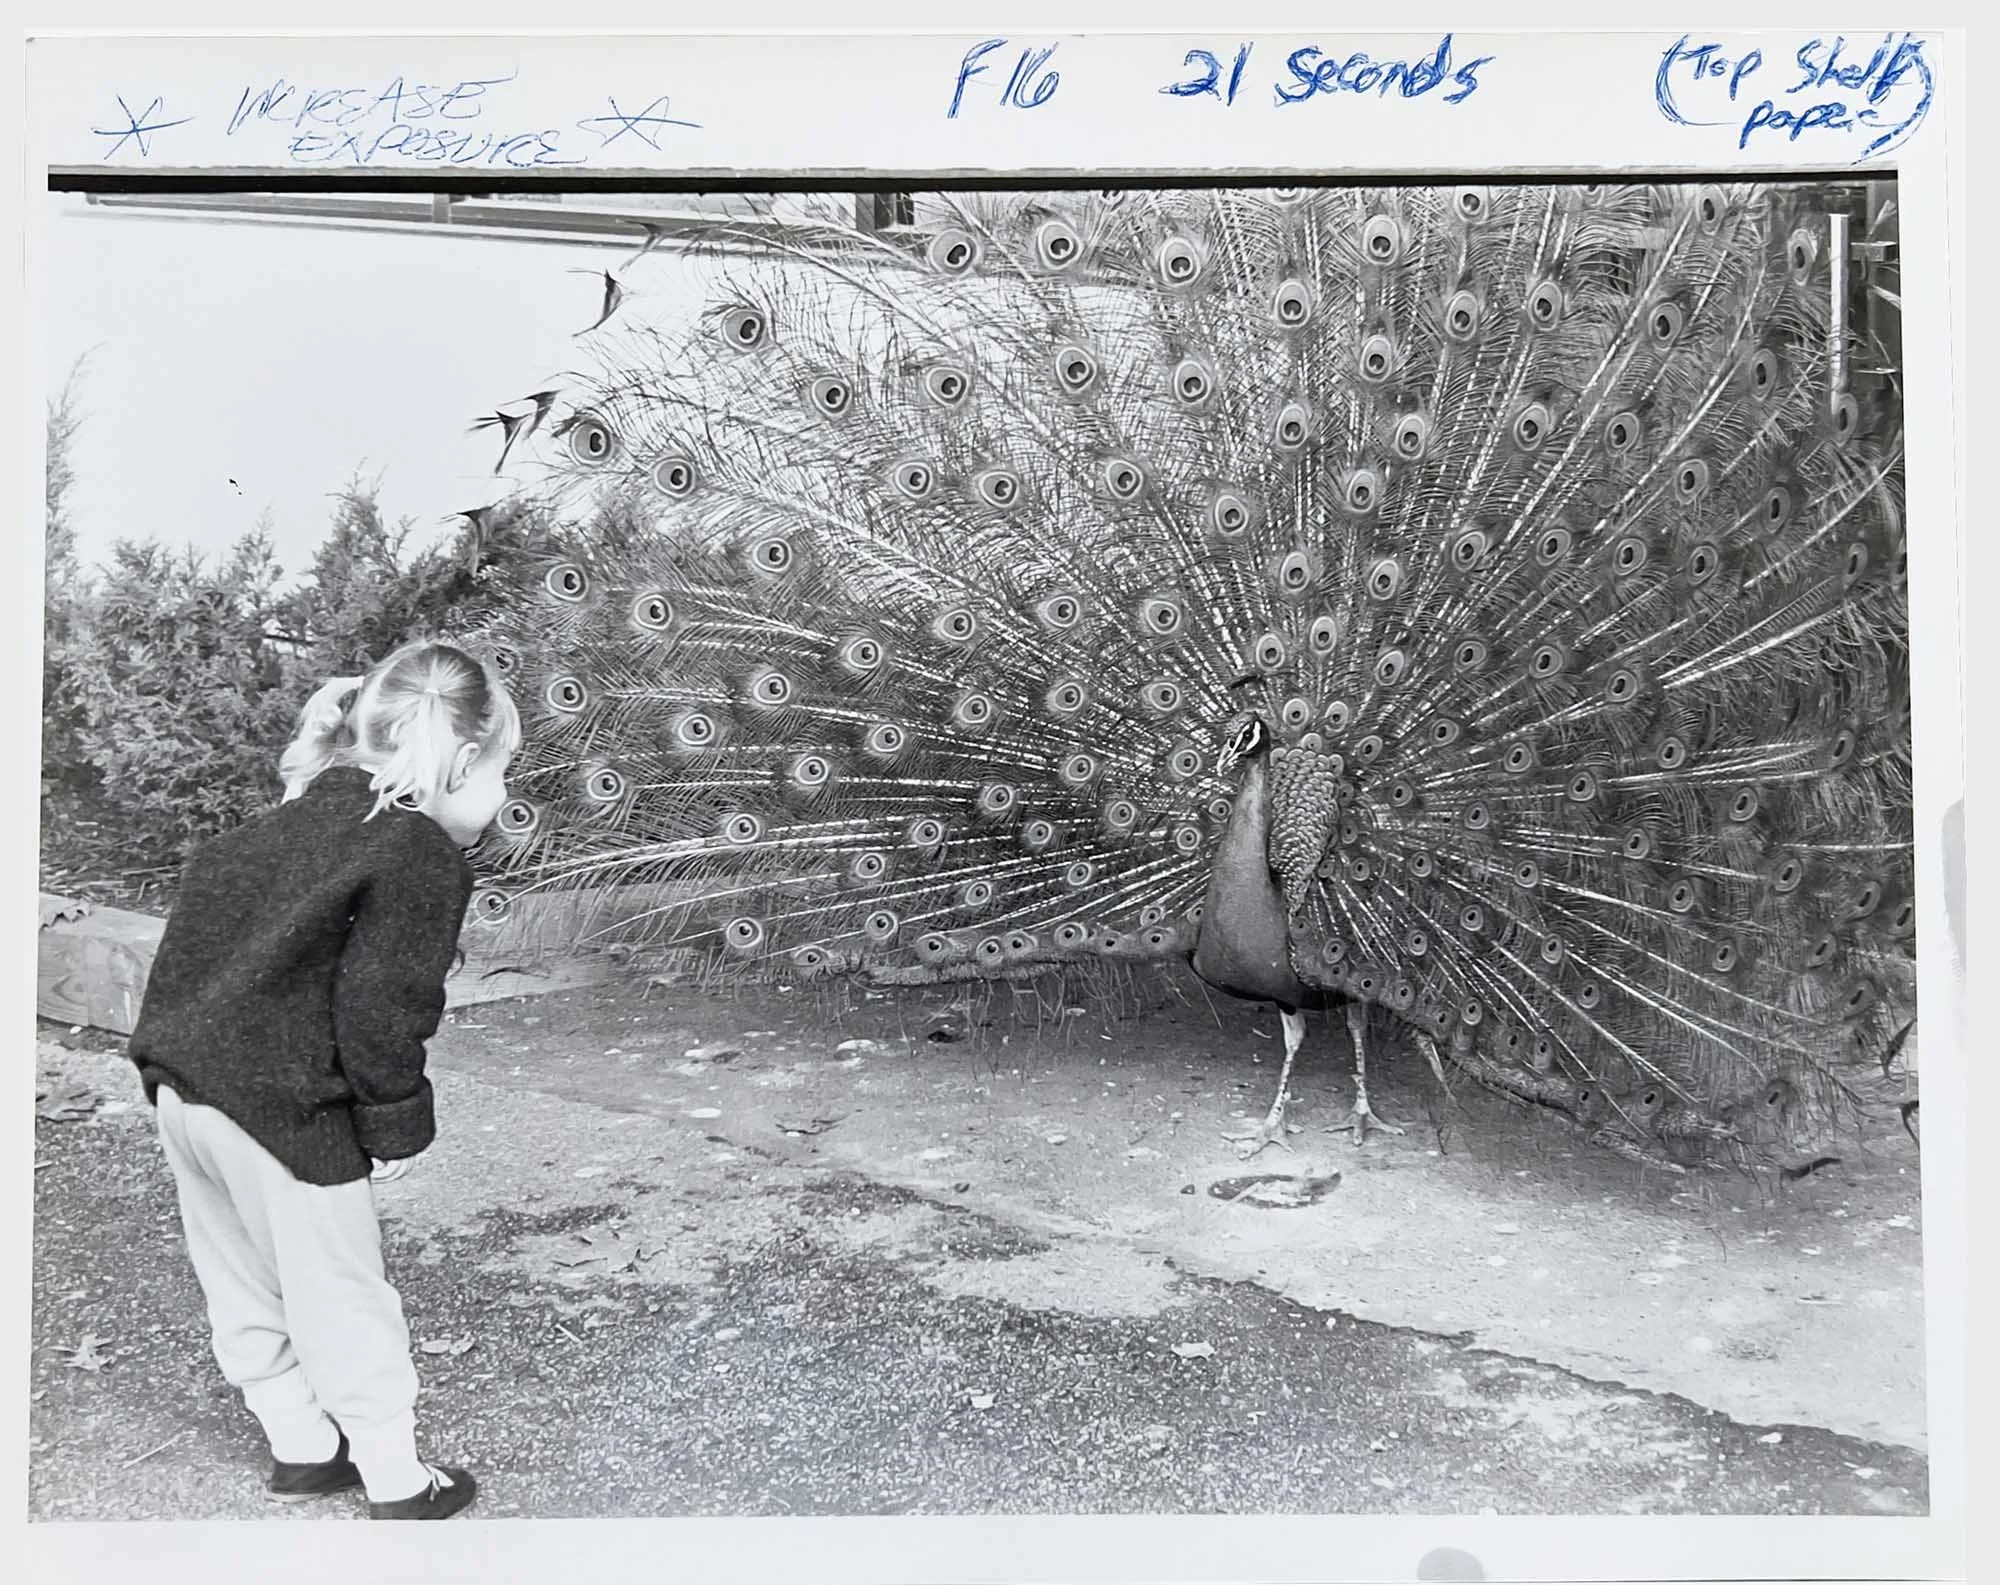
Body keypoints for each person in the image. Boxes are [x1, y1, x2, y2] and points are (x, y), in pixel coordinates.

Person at [126, 639, 520, 1519]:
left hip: (184, 1089)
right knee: (338, 1286)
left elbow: (194, 955)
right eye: (503, 773)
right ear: (459, 760)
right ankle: (396, 1477)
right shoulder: (413, 849)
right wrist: (394, 1125)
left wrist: (168, 1073)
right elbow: (382, 1005)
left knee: (240, 1279)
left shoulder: (268, 830)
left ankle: (301, 1446)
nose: (500, 803)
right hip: (283, 1109)